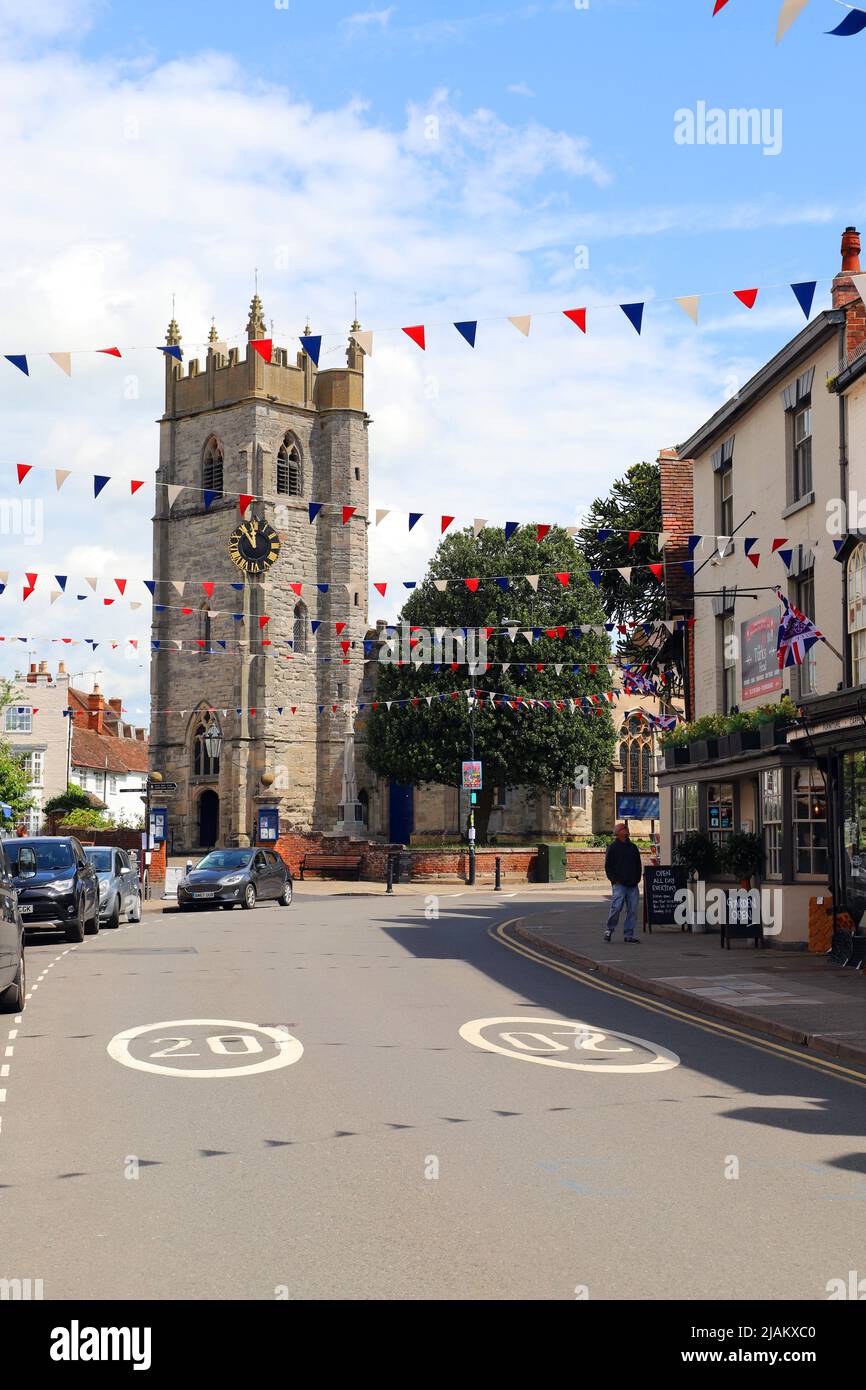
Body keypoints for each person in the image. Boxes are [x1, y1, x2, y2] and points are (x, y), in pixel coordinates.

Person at [603, 822, 642, 944]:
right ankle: (609, 929)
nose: (627, 830)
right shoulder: (613, 847)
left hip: (632, 884)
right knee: (616, 908)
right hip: (619, 884)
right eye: (625, 828)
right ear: (619, 832)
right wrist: (614, 880)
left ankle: (628, 934)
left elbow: (638, 864)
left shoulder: (633, 847)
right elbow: (608, 866)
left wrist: (637, 878)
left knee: (633, 910)